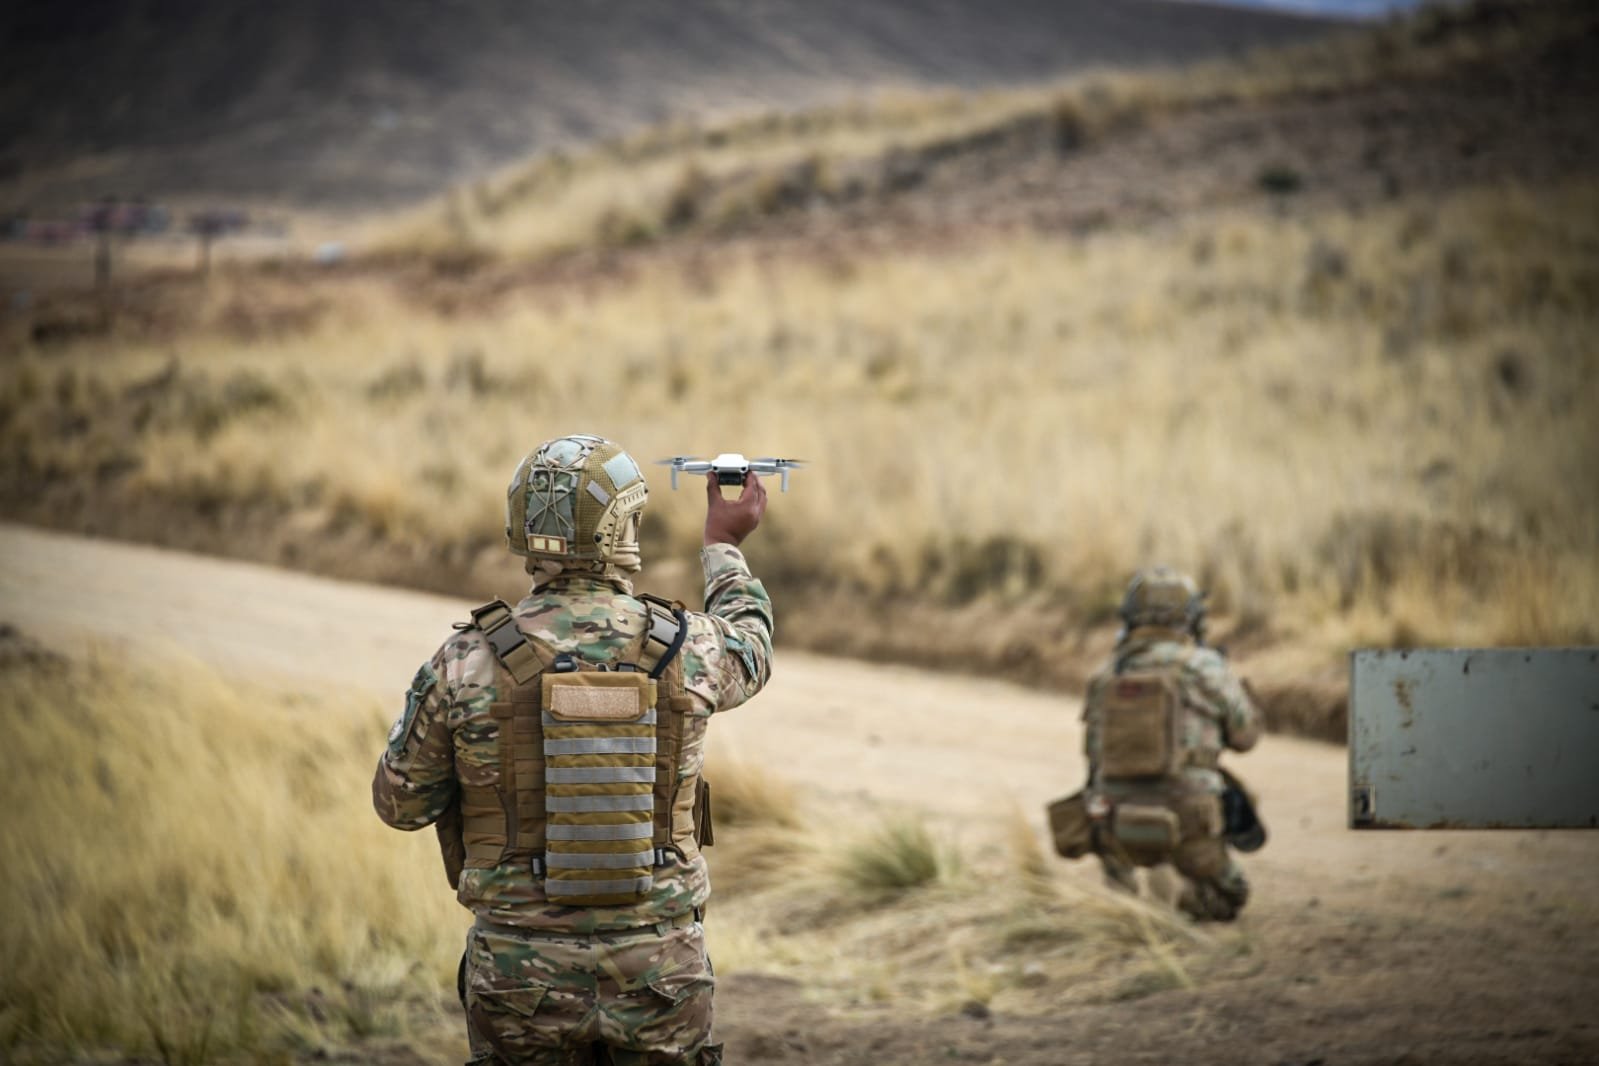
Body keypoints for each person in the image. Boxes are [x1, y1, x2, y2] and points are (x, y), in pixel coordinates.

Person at [373, 434, 774, 1065]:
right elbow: (751, 647)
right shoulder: (689, 646)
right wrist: (723, 545)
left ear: (522, 529)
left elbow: (400, 805)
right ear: (624, 528)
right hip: (660, 975)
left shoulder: (465, 660)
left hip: (519, 978)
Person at [1060, 567, 1263, 922]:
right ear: (1191, 617)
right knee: (1230, 897)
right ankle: (1187, 894)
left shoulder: (1107, 674)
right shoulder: (1205, 667)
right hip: (1191, 823)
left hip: (1117, 824)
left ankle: (1126, 894)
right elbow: (1245, 738)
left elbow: (1093, 760)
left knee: (1124, 902)